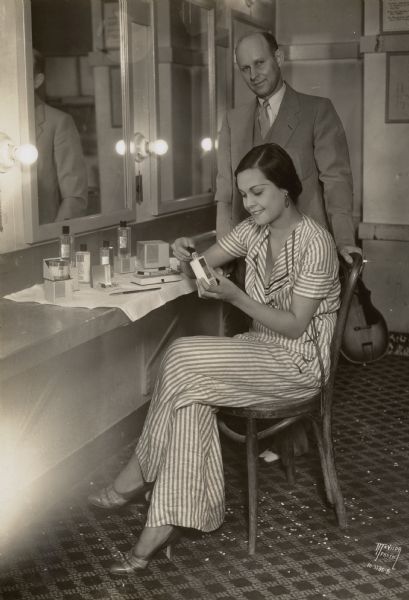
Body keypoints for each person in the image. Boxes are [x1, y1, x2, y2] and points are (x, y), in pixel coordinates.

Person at [88, 143, 341, 575]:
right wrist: (188, 252)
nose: (250, 203)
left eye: (258, 192)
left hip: (298, 364)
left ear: (286, 190)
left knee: (183, 357)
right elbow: (207, 260)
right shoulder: (255, 230)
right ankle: (165, 521)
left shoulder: (316, 243)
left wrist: (237, 296)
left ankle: (139, 474)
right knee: (190, 392)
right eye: (244, 195)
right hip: (259, 350)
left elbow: (297, 326)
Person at [215, 31, 361, 263]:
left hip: (306, 256)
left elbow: (337, 182)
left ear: (279, 58)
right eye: (245, 68)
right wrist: (223, 257)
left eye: (259, 63)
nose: (253, 75)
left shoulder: (317, 112)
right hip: (250, 260)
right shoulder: (233, 121)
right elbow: (225, 196)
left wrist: (344, 242)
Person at [33, 49, 88, 224]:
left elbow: (74, 197)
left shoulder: (58, 122)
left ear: (37, 80)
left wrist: (54, 239)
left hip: (40, 237)